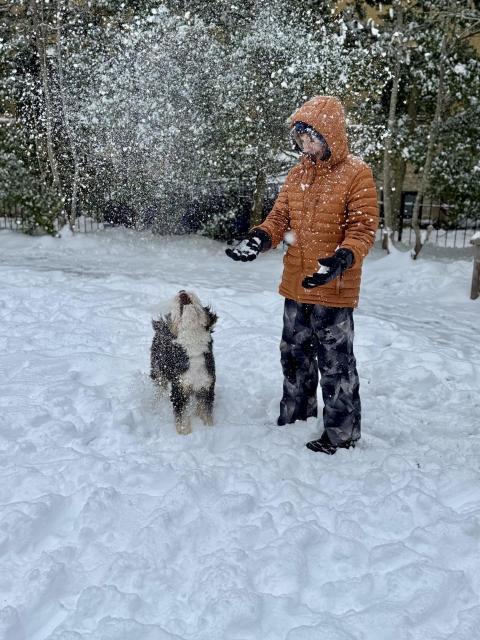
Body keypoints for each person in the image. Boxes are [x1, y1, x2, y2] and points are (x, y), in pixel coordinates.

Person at [226, 95, 379, 455]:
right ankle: (296, 416)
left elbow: (363, 228)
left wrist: (342, 258)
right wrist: (259, 237)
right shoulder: (298, 174)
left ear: (331, 136)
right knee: (294, 355)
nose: (306, 146)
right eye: (301, 139)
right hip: (296, 284)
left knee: (335, 364)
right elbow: (280, 219)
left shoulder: (357, 173)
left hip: (333, 287)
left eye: (312, 138)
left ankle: (342, 435)